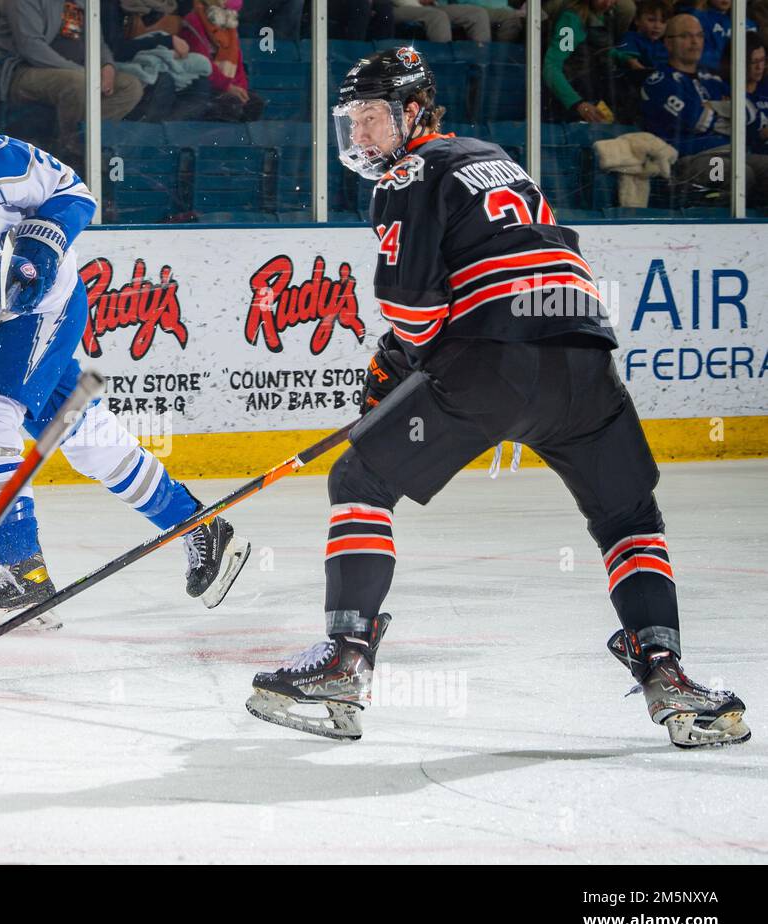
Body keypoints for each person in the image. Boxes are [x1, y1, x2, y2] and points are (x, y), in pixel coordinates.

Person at [247, 47, 750, 749]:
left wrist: (395, 363)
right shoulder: (496, 157)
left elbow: (416, 315)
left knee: (359, 478)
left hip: (498, 366)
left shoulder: (408, 173)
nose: (360, 137)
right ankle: (664, 669)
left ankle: (345, 659)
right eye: (353, 122)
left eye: (372, 120)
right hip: (583, 361)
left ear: (414, 113)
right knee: (628, 513)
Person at [0, 103, 251, 631]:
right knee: (88, 438)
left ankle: (25, 573)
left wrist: (44, 241)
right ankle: (201, 527)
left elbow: (71, 192)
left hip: (52, 303)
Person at [0, 0, 145, 164]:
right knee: (78, 83)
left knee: (131, 87)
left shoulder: (85, 2)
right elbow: (31, 47)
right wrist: (84, 73)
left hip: (80, 72)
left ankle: (74, 139)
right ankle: (70, 155)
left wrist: (108, 67)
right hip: (24, 71)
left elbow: (98, 43)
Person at [640, 13, 768, 204]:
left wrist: (713, 108)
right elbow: (698, 121)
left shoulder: (713, 81)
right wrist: (729, 114)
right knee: (740, 175)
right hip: (688, 160)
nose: (694, 42)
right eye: (686, 36)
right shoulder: (660, 82)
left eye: (699, 35)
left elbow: (750, 114)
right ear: (668, 43)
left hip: (731, 152)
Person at [390, 0, 494, 44]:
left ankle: (479, 71)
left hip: (431, 6)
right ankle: (443, 72)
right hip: (395, 7)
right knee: (437, 16)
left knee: (478, 14)